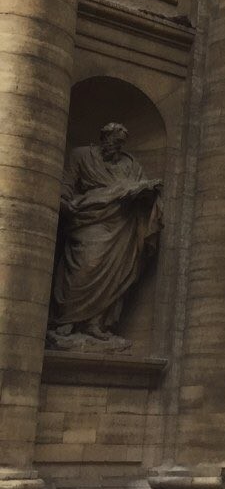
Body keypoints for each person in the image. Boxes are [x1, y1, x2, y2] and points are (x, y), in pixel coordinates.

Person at [50, 122, 163, 341]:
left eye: (121, 143)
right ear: (104, 138)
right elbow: (66, 184)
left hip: (123, 226)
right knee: (85, 264)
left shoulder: (130, 165)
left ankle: (95, 322)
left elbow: (142, 191)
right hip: (90, 219)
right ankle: (67, 319)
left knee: (117, 273)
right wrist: (65, 202)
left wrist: (146, 192)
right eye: (115, 141)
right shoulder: (81, 155)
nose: (117, 147)